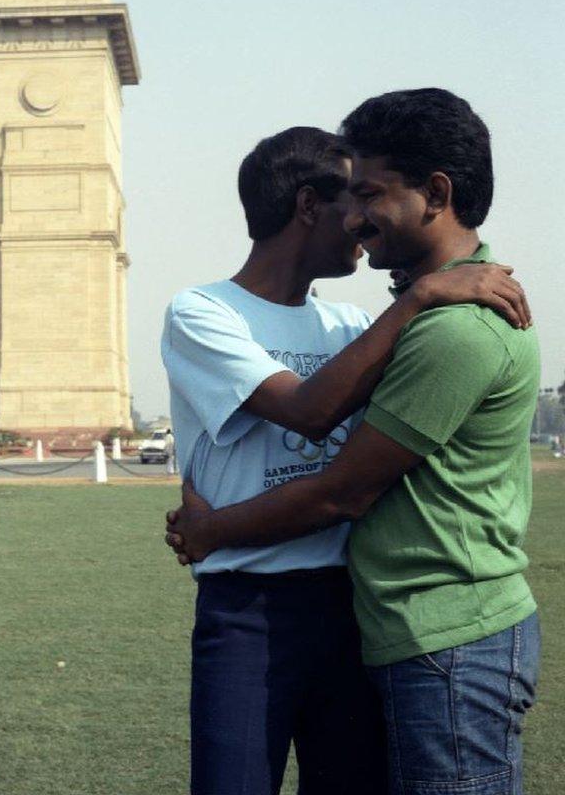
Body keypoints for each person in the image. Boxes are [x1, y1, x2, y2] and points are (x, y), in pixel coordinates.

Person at [166, 92, 539, 795]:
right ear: (309, 206)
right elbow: (311, 412)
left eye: (374, 196)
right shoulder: (203, 311)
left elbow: (346, 485)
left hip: (349, 605)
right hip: (250, 608)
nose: (363, 225)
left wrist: (212, 527)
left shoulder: (349, 324)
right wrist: (422, 295)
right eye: (354, 199)